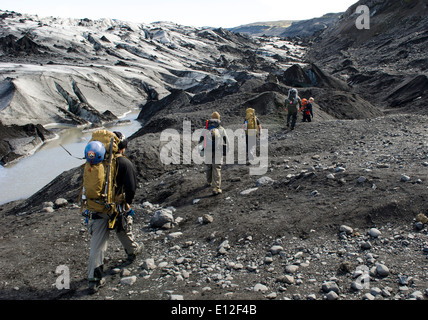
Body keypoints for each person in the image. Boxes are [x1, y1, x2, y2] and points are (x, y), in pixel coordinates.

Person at [87, 131, 142, 294]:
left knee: (97, 245)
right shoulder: (124, 163)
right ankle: (132, 252)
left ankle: (94, 280)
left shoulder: (96, 162)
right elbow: (131, 188)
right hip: (116, 207)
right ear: (122, 147)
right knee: (123, 230)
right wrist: (127, 204)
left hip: (96, 208)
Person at [199, 112, 229, 195]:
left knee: (209, 166)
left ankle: (209, 181)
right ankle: (216, 188)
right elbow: (226, 140)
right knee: (217, 168)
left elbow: (201, 139)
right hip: (218, 151)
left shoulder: (206, 128)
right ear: (218, 119)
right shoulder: (221, 128)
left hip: (208, 150)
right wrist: (227, 149)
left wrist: (201, 151)